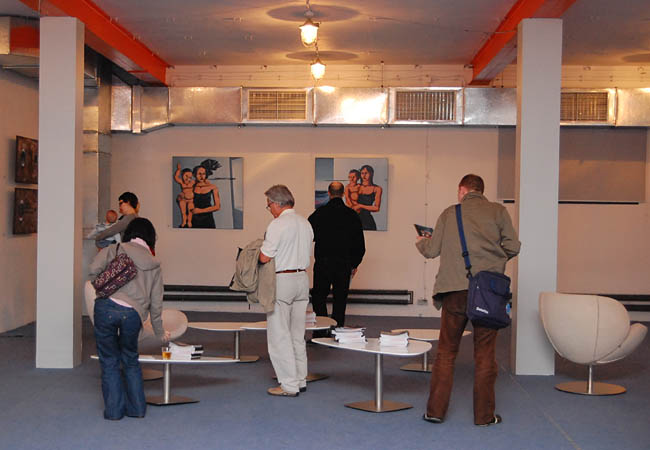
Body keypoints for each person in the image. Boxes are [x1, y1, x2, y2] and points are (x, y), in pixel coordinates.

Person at [416, 174, 520, 426]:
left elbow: (432, 250)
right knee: (485, 355)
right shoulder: (498, 211)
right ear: (481, 191)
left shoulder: (449, 213)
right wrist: (493, 259)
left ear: (462, 190)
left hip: (454, 291)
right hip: (487, 292)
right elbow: (513, 247)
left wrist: (421, 242)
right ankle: (484, 416)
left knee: (446, 352)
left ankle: (435, 412)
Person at [88, 217, 170, 420]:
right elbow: (156, 303)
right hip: (133, 314)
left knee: (109, 361)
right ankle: (137, 409)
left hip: (105, 308)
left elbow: (92, 270)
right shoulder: (154, 265)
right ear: (150, 238)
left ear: (129, 233)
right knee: (130, 359)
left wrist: (104, 283)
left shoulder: (114, 249)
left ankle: (114, 412)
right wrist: (159, 332)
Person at [259, 185, 313, 396]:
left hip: (283, 280)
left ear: (277, 203)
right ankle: (300, 379)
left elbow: (265, 256)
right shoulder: (305, 223)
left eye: (269, 205)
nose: (269, 209)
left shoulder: (277, 224)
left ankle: (288, 385)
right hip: (302, 279)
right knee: (297, 334)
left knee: (279, 335)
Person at [308, 181, 365, 336]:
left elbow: (308, 236)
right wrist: (354, 264)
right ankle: (338, 332)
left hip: (323, 263)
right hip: (343, 264)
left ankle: (321, 332)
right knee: (340, 299)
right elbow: (360, 245)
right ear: (344, 193)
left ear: (329, 193)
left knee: (319, 297)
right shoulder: (352, 215)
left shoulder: (318, 214)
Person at [191, 159, 221, 228]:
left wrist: (200, 211)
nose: (201, 176)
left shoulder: (212, 187)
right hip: (194, 219)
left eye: (203, 174)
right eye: (199, 174)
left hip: (208, 219)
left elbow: (217, 207)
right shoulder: (191, 187)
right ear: (194, 175)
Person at [354, 164, 382, 231]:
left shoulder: (377, 189)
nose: (364, 175)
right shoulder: (356, 187)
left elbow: (376, 208)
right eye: (362, 173)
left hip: (367, 221)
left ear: (371, 174)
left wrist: (360, 206)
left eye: (366, 173)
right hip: (355, 218)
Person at [174, 163, 195, 228]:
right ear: (182, 175)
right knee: (183, 212)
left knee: (190, 212)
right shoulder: (181, 182)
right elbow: (176, 177)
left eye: (190, 177)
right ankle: (184, 221)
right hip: (183, 199)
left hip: (191, 200)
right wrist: (178, 170)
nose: (188, 178)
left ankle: (189, 221)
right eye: (186, 176)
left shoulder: (193, 182)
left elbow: (200, 182)